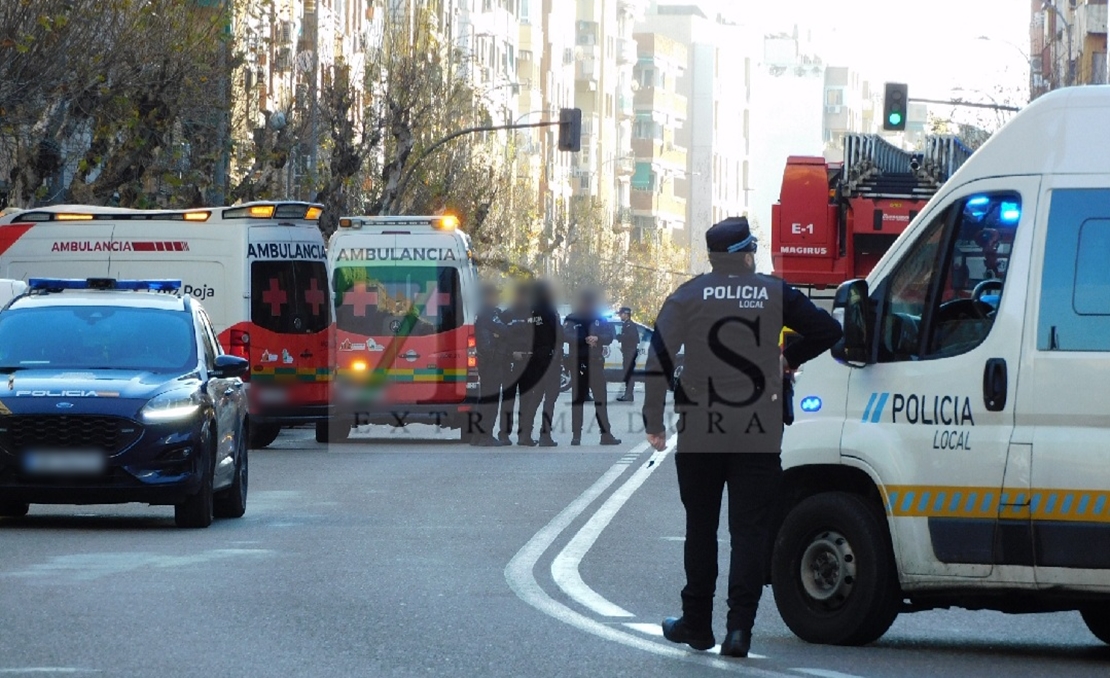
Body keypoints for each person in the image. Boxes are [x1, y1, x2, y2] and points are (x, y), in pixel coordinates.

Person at [643, 216, 842, 658]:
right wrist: (786, 357)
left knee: (701, 529)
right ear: (747, 253)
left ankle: (696, 624)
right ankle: (739, 631)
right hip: (757, 432)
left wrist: (653, 419)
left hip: (699, 432)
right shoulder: (774, 292)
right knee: (749, 532)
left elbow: (659, 354)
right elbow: (830, 330)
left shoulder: (689, 294)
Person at [563, 289, 622, 446]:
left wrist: (598, 338)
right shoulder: (572, 318)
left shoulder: (600, 318)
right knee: (578, 400)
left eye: (590, 303)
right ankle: (576, 436)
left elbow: (610, 336)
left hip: (595, 363)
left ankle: (606, 434)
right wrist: (583, 339)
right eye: (585, 303)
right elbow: (564, 335)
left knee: (600, 399)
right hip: (578, 363)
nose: (588, 306)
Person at [515, 281, 562, 447]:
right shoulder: (549, 310)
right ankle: (545, 435)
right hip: (550, 358)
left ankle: (525, 434)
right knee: (550, 399)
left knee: (535, 398)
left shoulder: (530, 310)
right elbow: (558, 334)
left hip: (534, 358)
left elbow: (524, 332)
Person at [471, 283, 511, 447]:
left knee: (485, 400)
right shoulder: (487, 313)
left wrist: (499, 335)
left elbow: (501, 331)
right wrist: (499, 335)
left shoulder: (489, 313)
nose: (498, 298)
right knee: (491, 401)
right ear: (487, 297)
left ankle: (477, 436)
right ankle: (486, 435)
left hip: (489, 362)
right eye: (495, 295)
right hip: (491, 362)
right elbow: (506, 331)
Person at [498, 282, 532, 444]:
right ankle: (504, 434)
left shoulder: (533, 315)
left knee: (527, 400)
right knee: (508, 399)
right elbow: (500, 339)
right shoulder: (506, 315)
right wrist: (511, 354)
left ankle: (524, 435)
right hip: (510, 362)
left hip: (528, 363)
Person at [615, 306, 639, 402]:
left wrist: (621, 337)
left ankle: (629, 394)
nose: (620, 316)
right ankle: (628, 394)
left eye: (621, 314)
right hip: (627, 352)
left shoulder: (630, 325)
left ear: (626, 314)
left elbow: (635, 338)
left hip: (630, 352)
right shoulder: (626, 325)